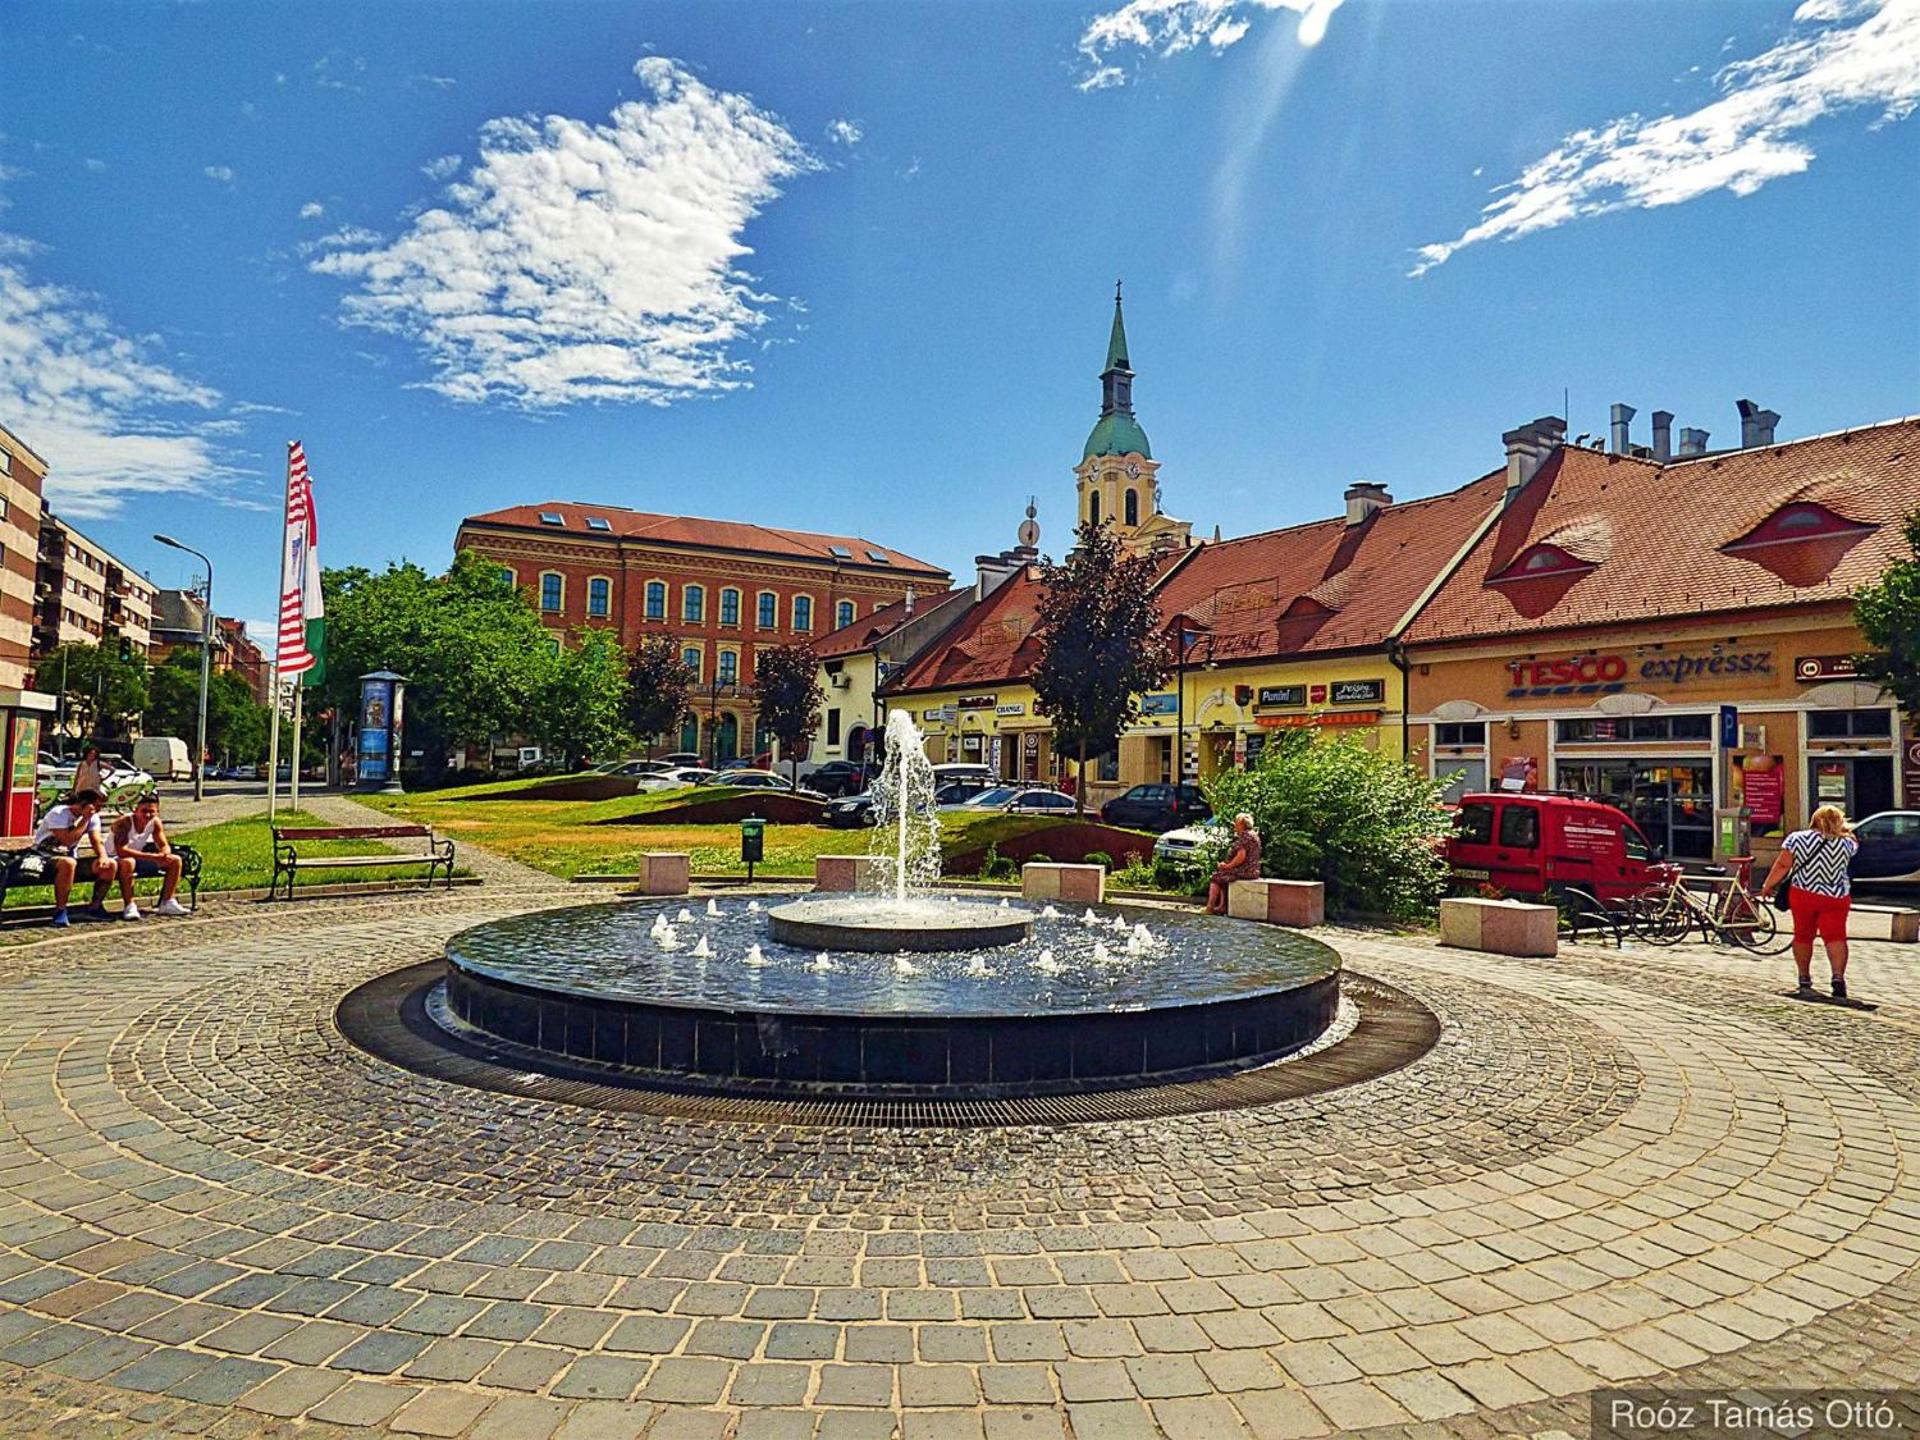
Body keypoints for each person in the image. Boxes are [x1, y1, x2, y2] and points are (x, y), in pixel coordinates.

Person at [1761, 804, 1859, 1000]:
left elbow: (1783, 865)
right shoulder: (1848, 844)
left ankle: (1804, 977)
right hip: (1836, 895)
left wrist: (1768, 885)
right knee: (1836, 937)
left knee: (1803, 935)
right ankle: (1838, 978)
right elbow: (1852, 841)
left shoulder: (1797, 839)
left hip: (1803, 893)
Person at [32, 788, 119, 927]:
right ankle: (60, 910)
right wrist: (85, 820)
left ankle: (95, 907)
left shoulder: (93, 817)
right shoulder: (58, 814)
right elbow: (67, 840)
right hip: (44, 858)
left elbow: (96, 840)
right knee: (68, 863)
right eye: (97, 805)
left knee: (110, 865)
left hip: (71, 858)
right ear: (85, 803)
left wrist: (103, 857)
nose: (98, 809)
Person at [104, 794, 188, 917]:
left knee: (175, 860)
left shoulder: (155, 823)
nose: (147, 815)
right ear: (136, 810)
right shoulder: (125, 822)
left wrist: (164, 854)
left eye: (151, 812)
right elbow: (121, 851)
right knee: (128, 862)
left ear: (157, 812)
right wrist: (153, 857)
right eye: (144, 811)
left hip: (139, 857)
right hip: (114, 858)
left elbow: (163, 844)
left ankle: (167, 901)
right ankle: (129, 905)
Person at [1207, 812, 1263, 915]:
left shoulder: (1245, 836)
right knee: (1222, 876)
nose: (1234, 825)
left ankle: (1210, 907)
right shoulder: (1253, 834)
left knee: (1216, 877)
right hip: (1252, 870)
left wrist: (1227, 866)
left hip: (1245, 870)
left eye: (1236, 822)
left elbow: (1240, 857)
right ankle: (1222, 906)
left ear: (1242, 824)